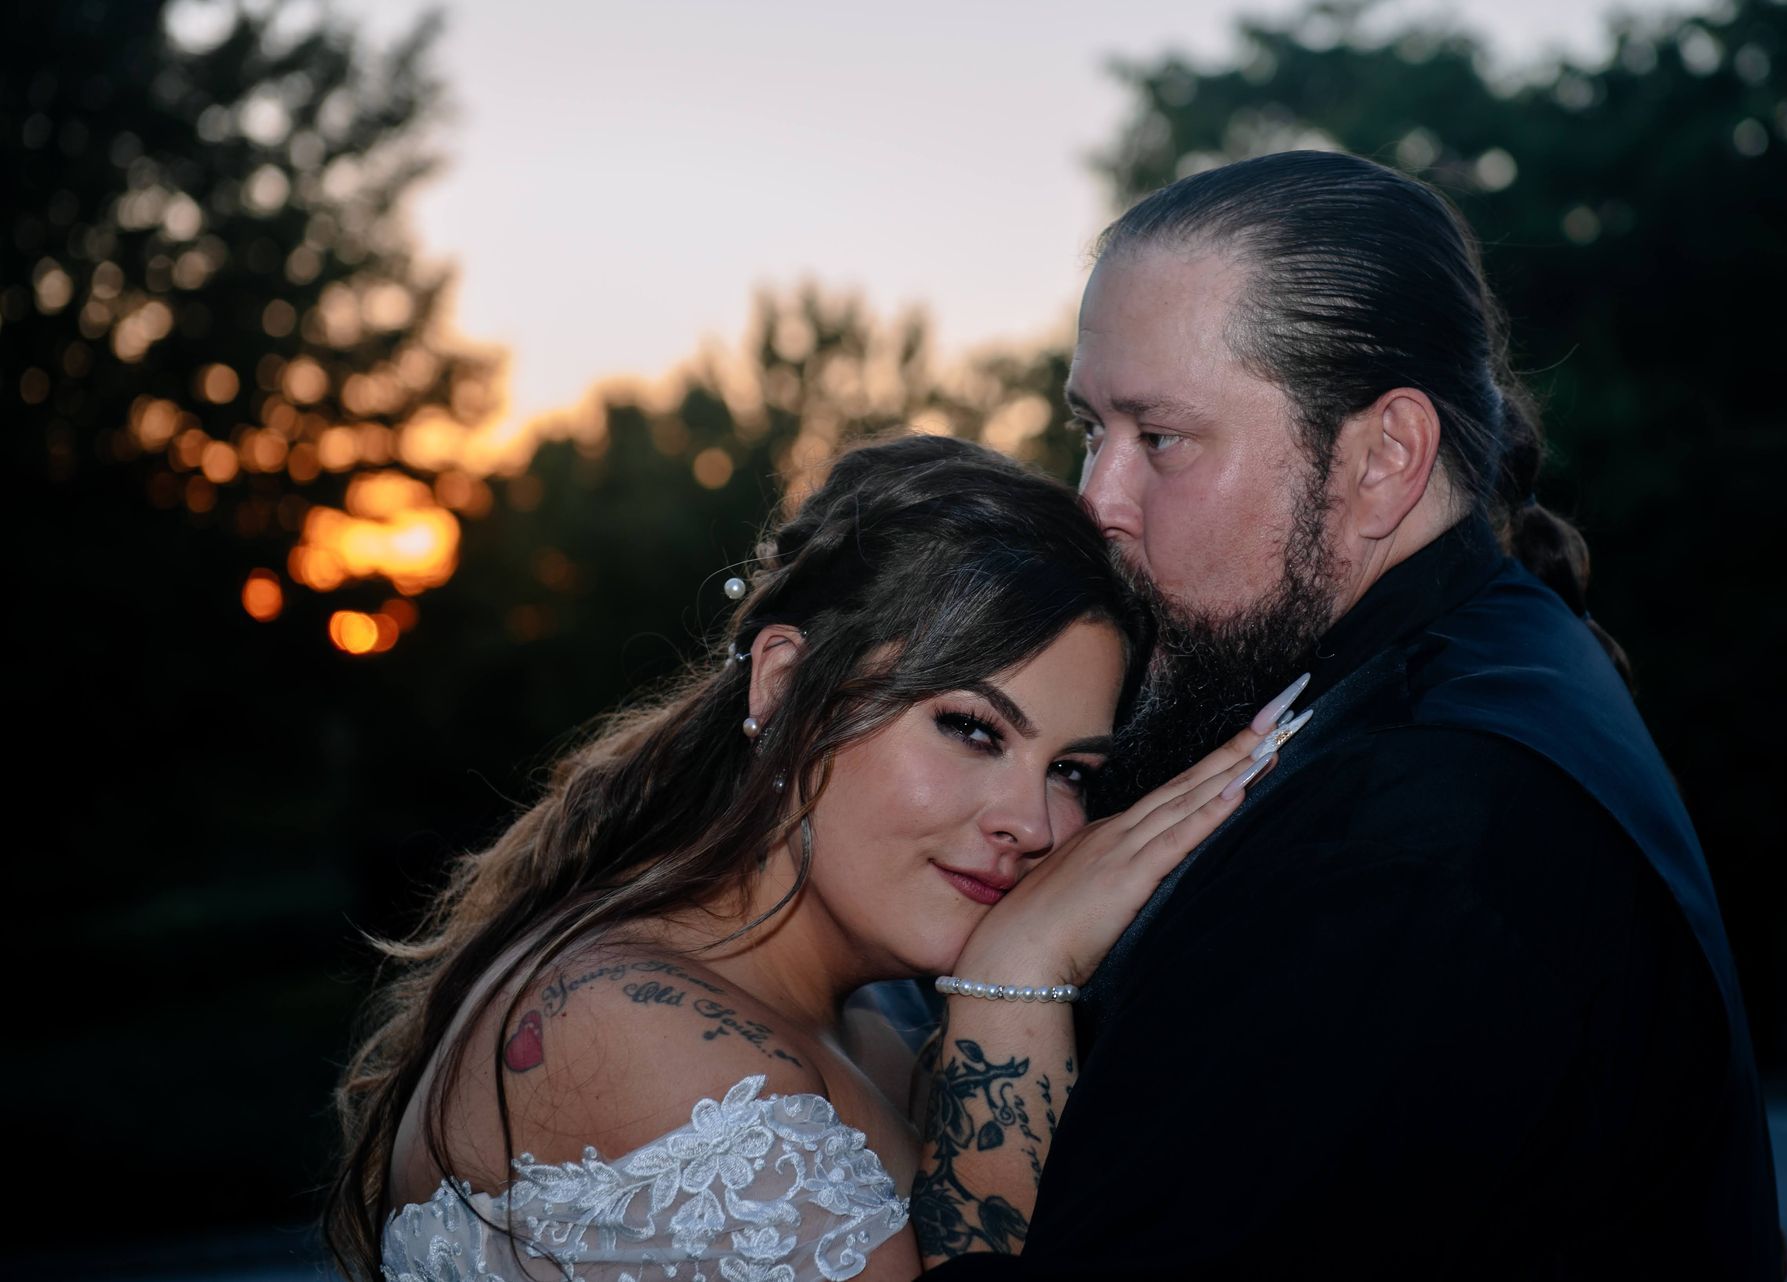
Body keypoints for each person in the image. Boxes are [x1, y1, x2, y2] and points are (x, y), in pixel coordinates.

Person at [916, 151, 1783, 1279]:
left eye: (1160, 438)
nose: (1099, 504)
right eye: (1093, 431)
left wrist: (1012, 977)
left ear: (1383, 460)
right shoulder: (1464, 673)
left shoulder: (1410, 826)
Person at [324, 434, 1286, 1282]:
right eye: (972, 729)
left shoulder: (874, 1016)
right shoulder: (624, 1031)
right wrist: (1012, 990)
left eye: (1071, 770)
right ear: (786, 684)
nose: (1032, 824)